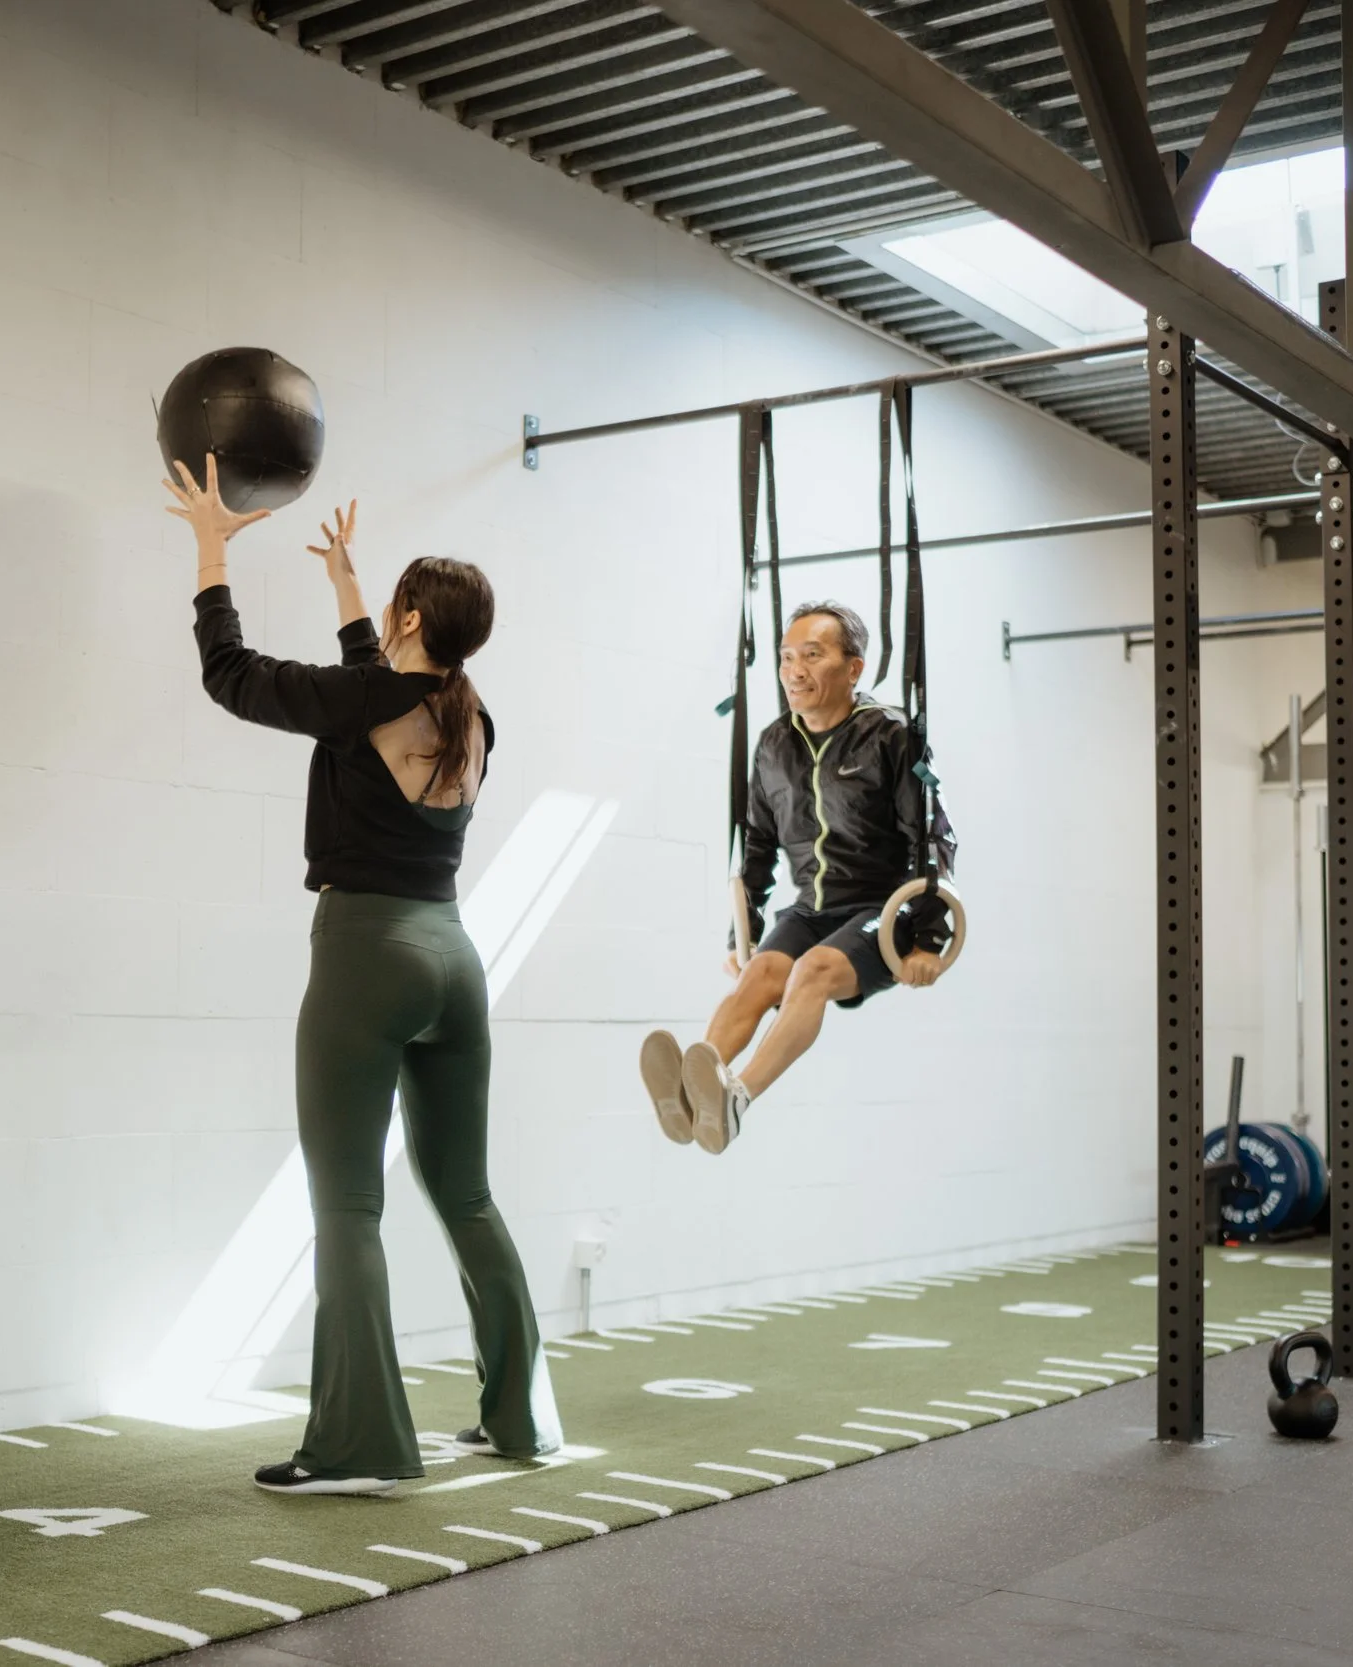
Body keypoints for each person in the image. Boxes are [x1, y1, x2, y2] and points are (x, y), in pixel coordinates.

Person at [166, 461, 563, 1494]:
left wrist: (211, 550)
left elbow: (233, 675)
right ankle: (520, 1418)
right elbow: (372, 689)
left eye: (390, 601)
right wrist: (348, 588)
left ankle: (357, 1444)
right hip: (452, 959)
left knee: (347, 1206)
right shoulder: (470, 713)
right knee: (466, 1194)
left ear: (411, 614)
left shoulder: (369, 699)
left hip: (364, 953)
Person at [640, 601, 957, 1156]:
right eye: (787, 657)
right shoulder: (773, 744)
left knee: (810, 972)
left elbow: (932, 841)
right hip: (811, 909)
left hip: (883, 913)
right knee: (761, 973)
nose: (794, 670)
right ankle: (695, 1098)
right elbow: (758, 848)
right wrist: (743, 936)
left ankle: (737, 1100)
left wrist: (929, 938)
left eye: (813, 655)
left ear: (853, 668)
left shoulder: (891, 736)